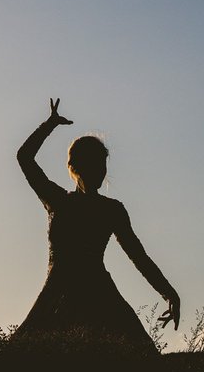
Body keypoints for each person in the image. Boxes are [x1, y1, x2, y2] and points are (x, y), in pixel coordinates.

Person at [15, 98, 180, 352]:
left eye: (102, 164)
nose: (100, 171)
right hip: (59, 293)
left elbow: (139, 256)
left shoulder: (112, 210)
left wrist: (169, 293)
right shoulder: (58, 201)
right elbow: (24, 157)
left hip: (98, 293)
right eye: (93, 164)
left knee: (141, 358)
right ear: (74, 167)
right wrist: (49, 124)